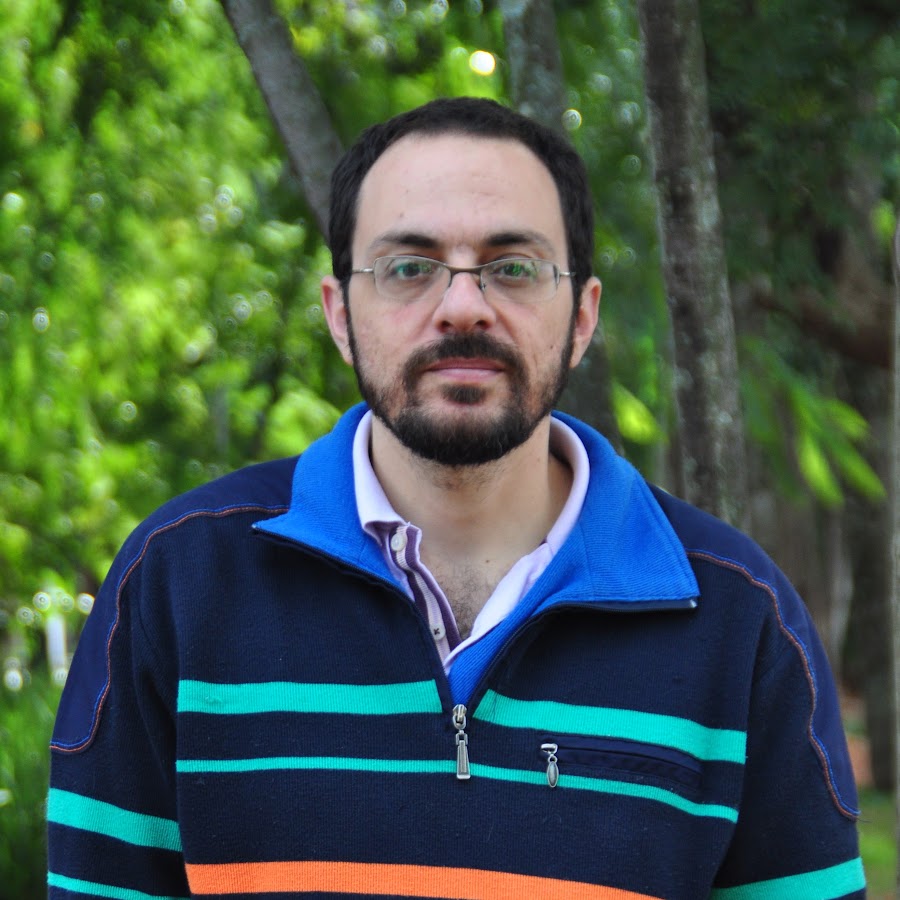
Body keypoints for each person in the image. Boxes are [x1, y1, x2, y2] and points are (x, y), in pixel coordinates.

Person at [48, 97, 865, 899]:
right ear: (340, 315)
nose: (463, 307)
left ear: (582, 318)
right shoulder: (178, 585)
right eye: (410, 268)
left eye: (513, 268)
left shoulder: (739, 622)